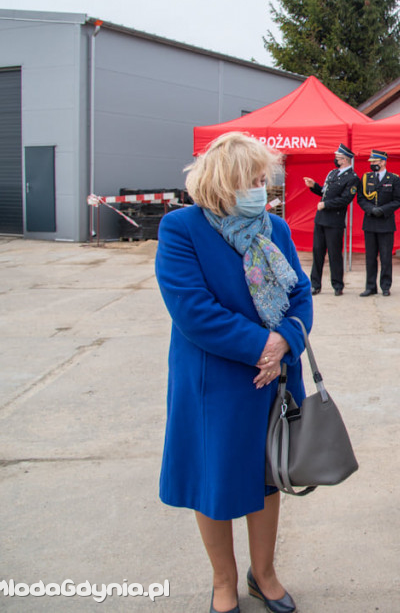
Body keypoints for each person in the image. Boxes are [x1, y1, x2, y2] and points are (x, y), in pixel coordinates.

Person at [155, 131, 312, 613]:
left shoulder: (274, 227)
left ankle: (262, 574)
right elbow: (192, 310)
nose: (261, 189)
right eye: (252, 180)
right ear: (224, 182)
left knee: (269, 478)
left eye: (265, 179)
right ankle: (223, 582)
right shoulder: (182, 228)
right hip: (215, 381)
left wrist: (285, 341)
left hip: (274, 376)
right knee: (215, 481)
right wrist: (261, 345)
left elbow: (301, 294)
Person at [303, 144, 359, 296]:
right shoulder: (332, 173)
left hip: (334, 221)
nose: (336, 160)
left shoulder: (352, 178)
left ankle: (337, 285)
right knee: (318, 253)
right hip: (320, 220)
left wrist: (326, 205)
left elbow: (345, 199)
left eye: (338, 158)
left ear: (345, 160)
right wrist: (314, 186)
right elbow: (324, 192)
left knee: (334, 254)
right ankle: (315, 284)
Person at [356, 149, 400, 296]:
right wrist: (370, 209)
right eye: (371, 162)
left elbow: (398, 200)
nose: (372, 164)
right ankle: (370, 286)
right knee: (370, 257)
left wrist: (383, 210)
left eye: (375, 162)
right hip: (370, 222)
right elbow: (361, 198)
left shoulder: (393, 179)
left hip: (386, 222)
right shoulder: (366, 177)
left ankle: (385, 286)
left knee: (385, 257)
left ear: (383, 162)